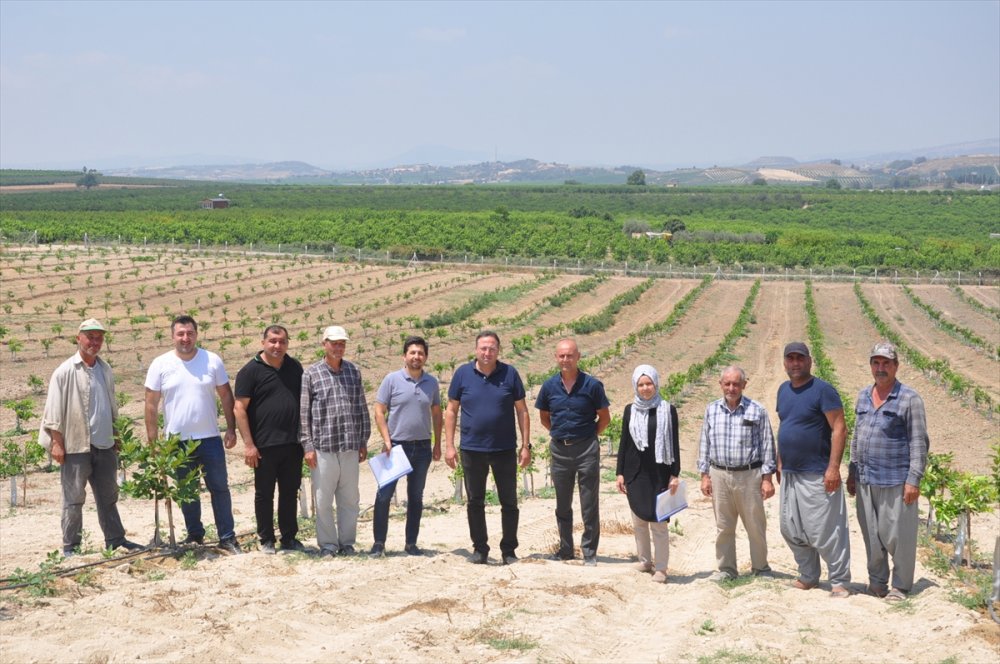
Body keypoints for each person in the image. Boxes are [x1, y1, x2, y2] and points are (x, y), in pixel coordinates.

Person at [39, 319, 142, 557]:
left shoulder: (105, 369)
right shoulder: (64, 371)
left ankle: (116, 540)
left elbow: (111, 404)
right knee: (73, 499)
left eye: (99, 337)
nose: (94, 342)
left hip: (104, 443)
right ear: (79, 338)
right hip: (75, 445)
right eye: (90, 337)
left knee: (108, 496)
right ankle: (71, 547)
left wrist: (117, 434)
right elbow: (53, 411)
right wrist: (56, 442)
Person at [144, 315, 241, 554]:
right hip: (176, 442)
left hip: (209, 439)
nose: (185, 338)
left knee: (219, 488)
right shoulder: (160, 364)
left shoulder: (212, 360)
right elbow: (150, 404)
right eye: (181, 334)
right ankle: (195, 535)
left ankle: (227, 537)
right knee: (187, 491)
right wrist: (153, 442)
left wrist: (231, 428)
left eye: (189, 333)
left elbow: (226, 396)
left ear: (196, 334)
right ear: (173, 336)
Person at [847, 342, 929, 602]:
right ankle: (877, 582)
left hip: (896, 479)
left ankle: (901, 586)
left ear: (895, 366)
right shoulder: (863, 396)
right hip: (866, 478)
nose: (880, 368)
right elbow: (856, 436)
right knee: (872, 535)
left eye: (886, 363)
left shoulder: (909, 398)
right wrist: (851, 470)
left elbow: (919, 441)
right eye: (876, 363)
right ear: (871, 365)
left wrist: (913, 480)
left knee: (898, 537)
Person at [444, 331, 531, 565]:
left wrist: (525, 446)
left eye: (492, 348)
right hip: (472, 449)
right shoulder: (462, 374)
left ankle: (509, 551)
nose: (487, 352)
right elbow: (451, 410)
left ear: (498, 351)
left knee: (509, 502)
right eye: (483, 348)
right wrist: (449, 445)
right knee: (475, 501)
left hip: (504, 449)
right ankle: (480, 549)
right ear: (475, 349)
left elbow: (522, 410)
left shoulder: (510, 373)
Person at [776, 341, 851, 598]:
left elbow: (839, 428)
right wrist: (780, 459)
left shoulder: (823, 391)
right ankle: (808, 576)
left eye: (800, 358)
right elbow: (787, 425)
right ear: (785, 362)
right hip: (791, 473)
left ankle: (839, 581)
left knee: (825, 530)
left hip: (817, 472)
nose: (795, 363)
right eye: (790, 359)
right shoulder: (783, 391)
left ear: (809, 361)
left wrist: (833, 468)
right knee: (790, 527)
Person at [535, 338, 610, 565]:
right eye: (561, 356)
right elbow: (544, 418)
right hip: (559, 450)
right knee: (562, 503)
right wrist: (561, 434)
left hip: (586, 449)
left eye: (570, 355)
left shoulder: (592, 385)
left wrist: (587, 437)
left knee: (589, 502)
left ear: (578, 357)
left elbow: (604, 418)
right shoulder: (548, 386)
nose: (565, 360)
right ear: (556, 358)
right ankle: (566, 550)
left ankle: (589, 552)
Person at [697, 366, 777, 581]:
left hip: (749, 476)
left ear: (744, 384)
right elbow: (705, 442)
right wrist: (704, 475)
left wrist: (767, 479)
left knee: (755, 525)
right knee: (724, 526)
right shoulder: (711, 410)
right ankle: (726, 569)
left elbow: (767, 444)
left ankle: (761, 569)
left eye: (736, 384)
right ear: (721, 384)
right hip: (719, 474)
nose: (731, 388)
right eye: (727, 383)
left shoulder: (757, 410)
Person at [300, 325, 371, 557]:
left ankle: (347, 542)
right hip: (323, 447)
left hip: (350, 444)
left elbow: (361, 407)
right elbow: (304, 414)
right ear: (324, 344)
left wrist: (363, 440)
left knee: (350, 498)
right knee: (322, 499)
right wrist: (307, 446)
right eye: (334, 343)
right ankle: (328, 545)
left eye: (342, 343)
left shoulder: (353, 371)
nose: (338, 347)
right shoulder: (311, 373)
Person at [234, 325, 305, 554]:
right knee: (264, 494)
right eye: (273, 341)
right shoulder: (250, 371)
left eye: (282, 341)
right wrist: (249, 445)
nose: (277, 346)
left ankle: (289, 538)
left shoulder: (294, 367)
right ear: (263, 342)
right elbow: (239, 409)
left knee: (289, 492)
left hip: (293, 444)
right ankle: (266, 538)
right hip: (263, 446)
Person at [370, 336, 443, 557]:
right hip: (396, 447)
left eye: (420, 353)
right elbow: (379, 411)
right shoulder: (391, 380)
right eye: (412, 352)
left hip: (422, 448)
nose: (416, 357)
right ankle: (379, 543)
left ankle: (411, 544)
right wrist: (386, 440)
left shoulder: (431, 383)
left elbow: (437, 414)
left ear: (426, 357)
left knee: (416, 497)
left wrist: (437, 444)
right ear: (404, 356)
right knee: (384, 495)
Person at [615, 365, 681, 583]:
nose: (645, 388)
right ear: (636, 385)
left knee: (659, 523)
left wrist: (674, 474)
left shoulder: (667, 409)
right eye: (641, 384)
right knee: (639, 520)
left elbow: (674, 442)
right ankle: (645, 561)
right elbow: (624, 442)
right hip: (635, 473)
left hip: (660, 473)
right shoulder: (629, 410)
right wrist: (620, 473)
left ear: (656, 383)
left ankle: (661, 568)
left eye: (648, 383)